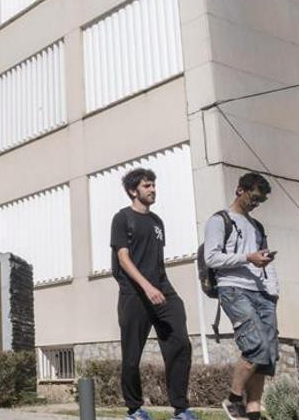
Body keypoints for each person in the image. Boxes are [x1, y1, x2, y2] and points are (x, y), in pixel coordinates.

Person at [110, 168, 197, 420]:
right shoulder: (122, 218)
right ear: (132, 191)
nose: (153, 189)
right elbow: (123, 258)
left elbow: (155, 259)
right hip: (134, 293)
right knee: (131, 356)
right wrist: (146, 287)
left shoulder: (157, 222)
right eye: (147, 186)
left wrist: (159, 286)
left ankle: (181, 409)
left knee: (180, 342)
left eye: (153, 185)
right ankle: (135, 409)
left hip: (162, 289)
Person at [203, 173, 275, 420]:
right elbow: (211, 259)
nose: (256, 204)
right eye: (254, 198)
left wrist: (273, 290)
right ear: (239, 190)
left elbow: (263, 260)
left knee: (266, 357)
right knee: (255, 345)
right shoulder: (219, 220)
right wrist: (248, 258)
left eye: (260, 201)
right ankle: (234, 399)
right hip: (233, 288)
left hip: (262, 293)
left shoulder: (257, 226)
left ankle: (252, 411)